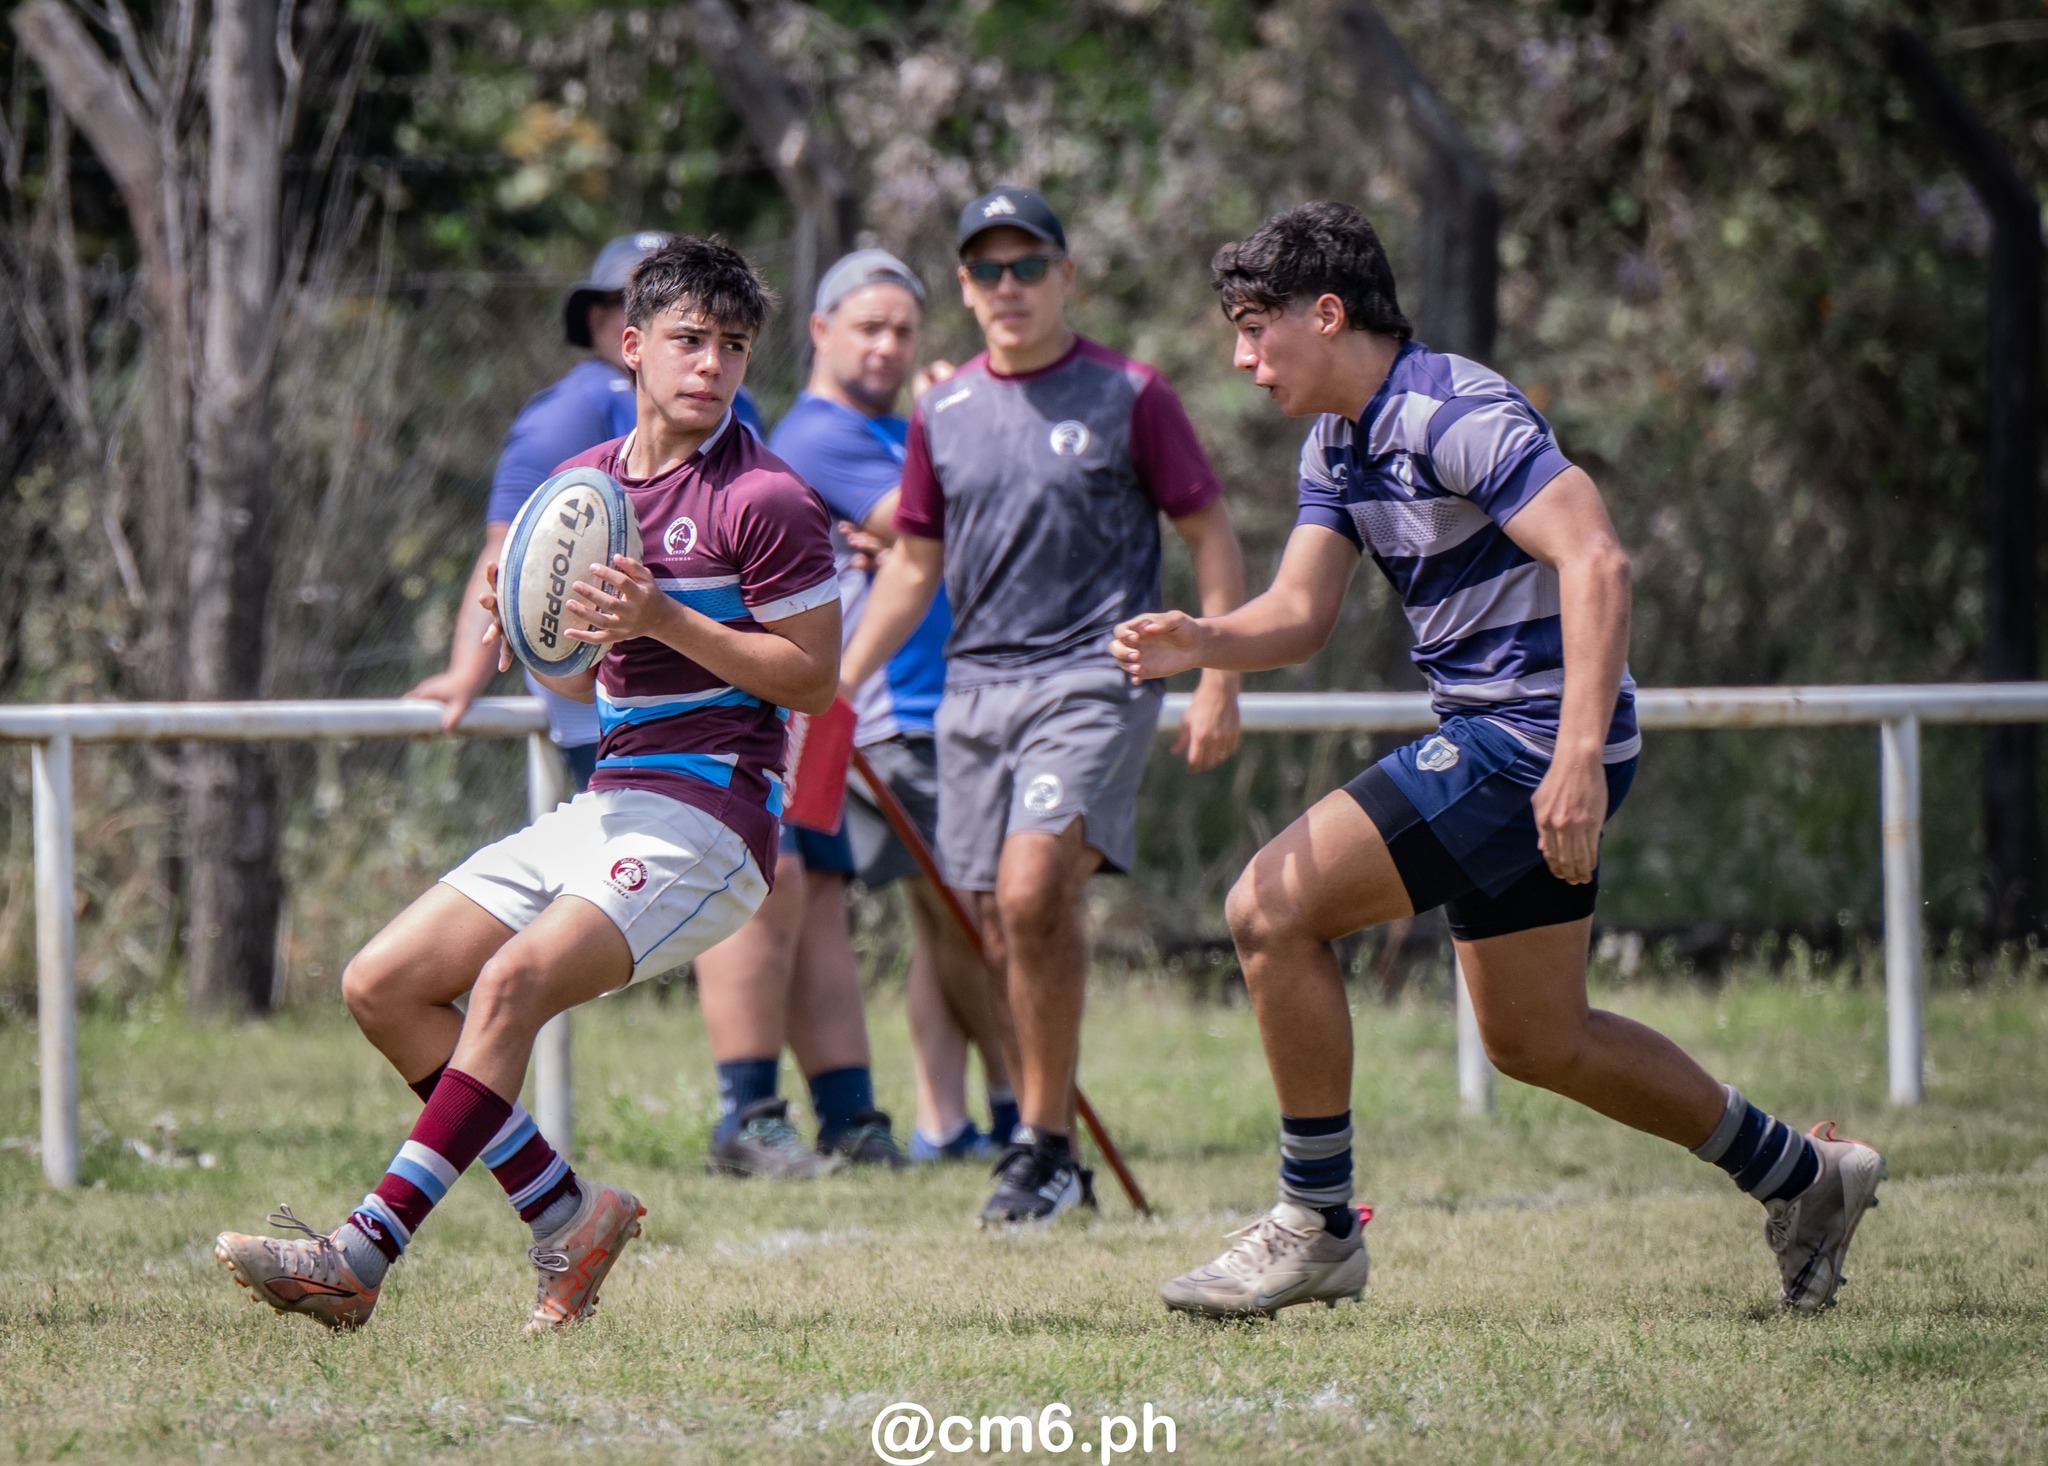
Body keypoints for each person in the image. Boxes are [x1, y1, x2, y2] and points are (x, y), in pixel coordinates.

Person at [1113, 201, 1885, 1318]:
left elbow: (1597, 561)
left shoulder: (1452, 410)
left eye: (1252, 328)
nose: (1241, 359)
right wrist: (1204, 640)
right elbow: (1300, 613)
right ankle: (1804, 1176)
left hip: (1525, 741)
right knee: (1537, 1038)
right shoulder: (1337, 442)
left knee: (1266, 909)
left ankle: (1315, 1223)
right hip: (1512, 739)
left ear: (1324, 314)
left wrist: (1574, 761)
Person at [213, 236, 841, 1333]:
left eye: (735, 346)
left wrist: (663, 616)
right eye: (690, 340)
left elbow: (814, 680)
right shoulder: (582, 488)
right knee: (384, 983)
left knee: (507, 984)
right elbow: (566, 666)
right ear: (632, 345)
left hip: (711, 818)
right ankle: (567, 1210)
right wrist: (520, 622)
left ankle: (357, 1256)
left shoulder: (766, 498)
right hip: (607, 800)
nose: (712, 365)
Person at [840, 188, 1247, 1225]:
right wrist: (834, 683)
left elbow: (1209, 532)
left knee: (1029, 894)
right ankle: (1046, 1147)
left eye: (1029, 266)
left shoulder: (1130, 392)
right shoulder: (942, 413)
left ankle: (1043, 1143)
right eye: (988, 270)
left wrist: (1218, 675)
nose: (1008, 286)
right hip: (974, 690)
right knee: (992, 920)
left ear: (1067, 275)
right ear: (966, 288)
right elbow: (913, 566)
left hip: (1093, 678)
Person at [765, 249, 1020, 1165]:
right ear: (820, 330)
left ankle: (947, 1121)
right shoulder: (817, 434)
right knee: (976, 914)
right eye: (868, 327)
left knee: (945, 917)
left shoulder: (897, 429)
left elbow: (937, 529)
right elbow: (950, 532)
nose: (887, 346)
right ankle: (1022, 1115)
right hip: (895, 708)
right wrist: (960, 426)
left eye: (903, 331)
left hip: (947, 698)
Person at [408, 230, 766, 785]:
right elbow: (509, 551)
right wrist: (466, 674)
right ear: (607, 323)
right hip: (606, 717)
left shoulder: (730, 404)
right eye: (635, 299)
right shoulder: (572, 411)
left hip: (731, 708)